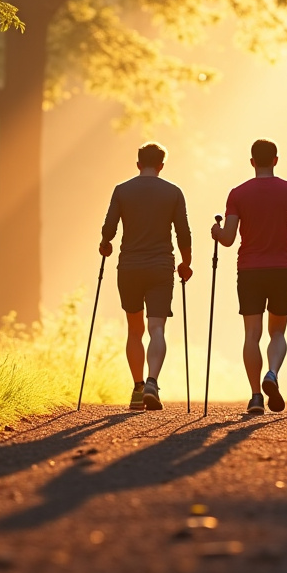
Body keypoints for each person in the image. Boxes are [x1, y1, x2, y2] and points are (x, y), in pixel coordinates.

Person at [211, 139, 287, 414]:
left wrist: (216, 232)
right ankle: (272, 373)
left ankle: (256, 395)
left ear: (252, 161)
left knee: (252, 334)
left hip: (249, 270)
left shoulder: (238, 194)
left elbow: (228, 238)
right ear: (276, 160)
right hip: (282, 268)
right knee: (278, 331)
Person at [100, 142, 192, 411]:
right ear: (161, 166)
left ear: (138, 163)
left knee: (134, 329)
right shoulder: (173, 192)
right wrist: (187, 263)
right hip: (161, 267)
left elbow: (109, 228)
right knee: (157, 328)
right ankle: (153, 381)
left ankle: (138, 388)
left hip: (129, 266)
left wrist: (105, 244)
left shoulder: (122, 190)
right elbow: (183, 232)